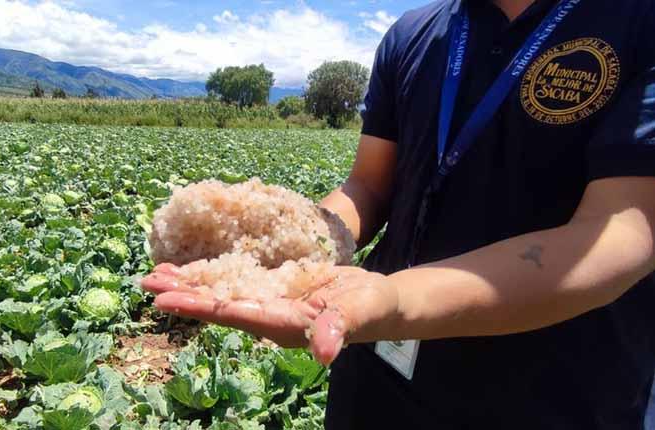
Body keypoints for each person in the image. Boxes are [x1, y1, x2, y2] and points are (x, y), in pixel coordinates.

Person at [142, 0, 655, 428]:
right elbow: (368, 184)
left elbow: (622, 231)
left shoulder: (637, 21)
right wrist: (300, 245)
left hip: (551, 397)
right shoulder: (414, 33)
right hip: (378, 380)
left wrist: (392, 298)